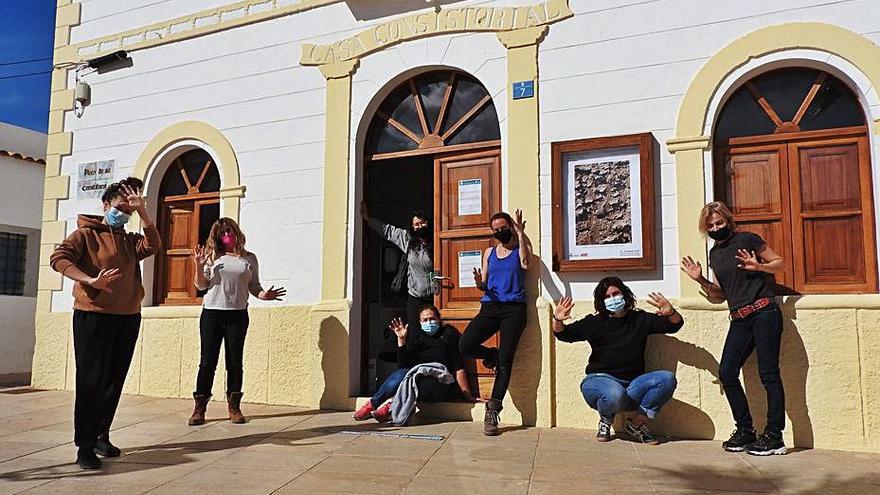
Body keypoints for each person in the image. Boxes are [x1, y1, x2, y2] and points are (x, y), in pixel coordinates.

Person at [50, 178, 162, 470]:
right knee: (91, 381)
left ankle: (102, 434)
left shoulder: (128, 239)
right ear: (105, 206)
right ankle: (84, 446)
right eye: (119, 208)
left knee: (114, 380)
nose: (123, 214)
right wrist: (89, 280)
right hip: (93, 315)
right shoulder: (85, 234)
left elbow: (154, 245)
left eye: (128, 211)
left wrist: (145, 214)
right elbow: (58, 259)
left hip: (127, 317)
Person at [681, 201, 786, 456]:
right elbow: (719, 295)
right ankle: (745, 430)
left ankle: (774, 437)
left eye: (719, 222)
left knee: (768, 374)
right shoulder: (715, 254)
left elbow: (779, 262)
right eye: (710, 226)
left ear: (728, 220)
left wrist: (759, 266)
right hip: (739, 318)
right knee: (727, 372)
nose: (716, 228)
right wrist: (701, 279)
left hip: (764, 313)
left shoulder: (748, 239)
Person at [552, 277, 683, 444]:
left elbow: (674, 325)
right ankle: (606, 420)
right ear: (601, 301)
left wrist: (671, 312)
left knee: (666, 379)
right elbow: (564, 334)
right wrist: (558, 319)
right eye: (607, 297)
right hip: (598, 381)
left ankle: (637, 424)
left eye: (616, 293)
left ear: (624, 294)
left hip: (631, 385)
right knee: (615, 394)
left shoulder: (639, 319)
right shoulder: (595, 322)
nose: (612, 299)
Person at [188, 217, 286, 426]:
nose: (227, 235)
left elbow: (254, 285)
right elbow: (201, 286)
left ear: (236, 232)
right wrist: (198, 265)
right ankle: (199, 408)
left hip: (238, 315)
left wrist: (264, 295)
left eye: (229, 230)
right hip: (212, 313)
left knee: (235, 362)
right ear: (216, 236)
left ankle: (234, 407)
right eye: (222, 232)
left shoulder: (249, 258)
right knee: (207, 362)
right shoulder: (211, 257)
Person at [459, 209, 531, 436]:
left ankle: (493, 410)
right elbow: (485, 283)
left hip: (514, 310)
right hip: (491, 306)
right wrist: (480, 283)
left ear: (510, 225)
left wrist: (520, 232)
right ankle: (491, 355)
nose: (500, 232)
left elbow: (526, 264)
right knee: (466, 345)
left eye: (503, 228)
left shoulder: (520, 249)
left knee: (505, 362)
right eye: (496, 230)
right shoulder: (489, 252)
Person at [353, 304, 475, 422]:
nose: (429, 322)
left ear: (439, 319)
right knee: (401, 374)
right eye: (425, 320)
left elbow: (458, 366)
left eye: (432, 318)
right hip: (417, 376)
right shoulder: (418, 338)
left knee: (425, 385)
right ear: (420, 322)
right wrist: (401, 341)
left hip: (440, 381)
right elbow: (403, 367)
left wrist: (467, 394)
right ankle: (372, 404)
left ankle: (391, 407)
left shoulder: (449, 334)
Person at [360, 202, 434, 333]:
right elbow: (389, 231)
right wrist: (368, 220)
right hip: (416, 297)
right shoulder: (408, 239)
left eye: (423, 223)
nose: (420, 226)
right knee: (414, 334)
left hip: (436, 297)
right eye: (416, 224)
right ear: (412, 227)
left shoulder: (438, 241)